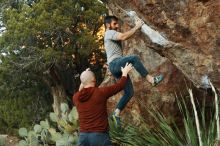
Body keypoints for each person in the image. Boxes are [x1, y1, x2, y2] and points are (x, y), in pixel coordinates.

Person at [104, 16, 164, 126]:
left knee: (129, 92)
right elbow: (123, 37)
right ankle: (151, 80)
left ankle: (116, 113)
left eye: (117, 23)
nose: (117, 26)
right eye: (114, 24)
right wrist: (137, 26)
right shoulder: (108, 33)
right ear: (108, 25)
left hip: (116, 67)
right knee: (134, 58)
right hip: (115, 64)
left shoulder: (110, 35)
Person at [73, 63, 133, 146]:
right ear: (94, 80)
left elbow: (81, 89)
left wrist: (85, 77)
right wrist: (125, 73)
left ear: (82, 82)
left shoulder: (76, 97)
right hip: (99, 137)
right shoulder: (101, 92)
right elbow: (120, 86)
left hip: (83, 137)